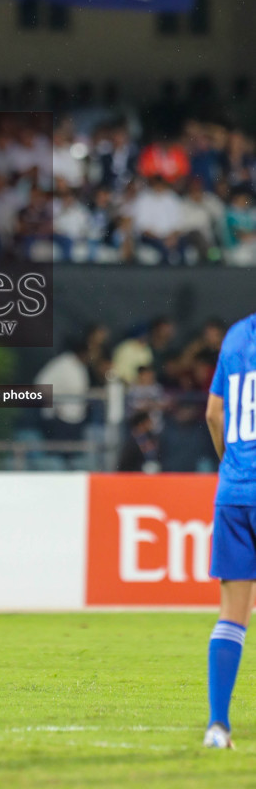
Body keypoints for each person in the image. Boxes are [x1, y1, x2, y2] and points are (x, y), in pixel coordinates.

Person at [203, 311, 256, 747]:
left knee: (233, 613)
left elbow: (213, 413)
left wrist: (229, 463)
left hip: (234, 492)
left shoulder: (237, 334)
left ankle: (218, 726)